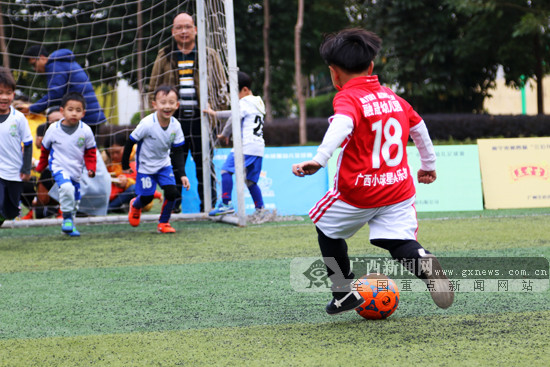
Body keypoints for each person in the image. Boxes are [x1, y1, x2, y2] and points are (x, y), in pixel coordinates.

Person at [291, 28, 454, 315]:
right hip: (398, 189)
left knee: (325, 228)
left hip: (359, 191)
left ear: (334, 73)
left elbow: (341, 124)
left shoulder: (348, 98)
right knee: (397, 241)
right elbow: (419, 127)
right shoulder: (392, 97)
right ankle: (422, 259)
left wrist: (319, 158)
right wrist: (428, 165)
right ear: (371, 67)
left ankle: (342, 292)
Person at [148, 12, 228, 213]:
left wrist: (215, 113)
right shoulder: (164, 55)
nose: (183, 31)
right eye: (179, 28)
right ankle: (172, 206)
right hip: (173, 120)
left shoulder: (209, 54)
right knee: (174, 165)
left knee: (205, 165)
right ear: (173, 31)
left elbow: (221, 87)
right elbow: (154, 85)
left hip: (202, 119)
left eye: (187, 27)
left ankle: (208, 205)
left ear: (196, 29)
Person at [122, 85, 190, 233]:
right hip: (145, 167)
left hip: (164, 165)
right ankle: (136, 204)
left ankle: (163, 223)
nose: (167, 106)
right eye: (163, 102)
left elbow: (178, 152)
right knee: (147, 197)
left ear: (177, 105)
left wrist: (182, 174)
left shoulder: (176, 126)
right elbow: (130, 142)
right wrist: (125, 163)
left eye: (171, 102)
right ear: (155, 105)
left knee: (172, 193)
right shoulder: (147, 123)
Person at [204, 71, 266, 216]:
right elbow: (234, 113)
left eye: (235, 93)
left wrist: (225, 134)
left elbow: (234, 118)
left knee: (226, 170)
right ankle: (261, 210)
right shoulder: (257, 102)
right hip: (258, 147)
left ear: (244, 90)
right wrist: (215, 114)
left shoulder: (244, 102)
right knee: (250, 181)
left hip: (246, 146)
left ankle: (226, 203)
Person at [36, 92, 97, 237]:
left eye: (78, 110)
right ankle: (67, 219)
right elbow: (45, 150)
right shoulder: (53, 129)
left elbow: (91, 153)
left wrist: (91, 168)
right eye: (70, 109)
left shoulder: (86, 131)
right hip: (58, 167)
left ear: (83, 113)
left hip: (76, 170)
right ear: (62, 111)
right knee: (66, 188)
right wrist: (41, 166)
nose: (74, 113)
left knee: (75, 199)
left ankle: (69, 222)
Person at [24, 45, 107, 135]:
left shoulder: (55, 65)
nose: (35, 69)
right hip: (89, 115)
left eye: (34, 64)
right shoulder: (63, 62)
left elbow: (55, 94)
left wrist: (31, 109)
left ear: (42, 58)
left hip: (83, 117)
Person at [0, 67, 33, 227]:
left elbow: (28, 144)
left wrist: (26, 170)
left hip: (14, 172)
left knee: (10, 211)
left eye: (8, 92)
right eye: (0, 92)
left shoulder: (18, 118)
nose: (4, 97)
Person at [103, 132, 162, 213]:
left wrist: (127, 182)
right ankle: (119, 207)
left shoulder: (139, 158)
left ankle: (109, 208)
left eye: (117, 152)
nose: (114, 156)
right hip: (114, 195)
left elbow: (146, 183)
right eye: (111, 153)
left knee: (134, 189)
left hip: (137, 194)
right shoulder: (106, 161)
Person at [24, 106, 64, 219]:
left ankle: (62, 209)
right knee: (21, 180)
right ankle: (33, 210)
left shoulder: (76, 133)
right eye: (51, 122)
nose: (54, 124)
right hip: (43, 174)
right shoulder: (47, 134)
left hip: (67, 178)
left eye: (58, 121)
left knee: (48, 174)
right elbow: (39, 147)